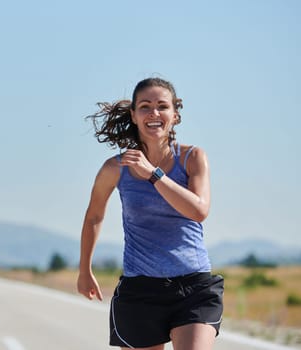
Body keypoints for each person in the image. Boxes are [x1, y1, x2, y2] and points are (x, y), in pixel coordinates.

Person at [77, 77, 224, 350]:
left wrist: (154, 175)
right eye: (145, 106)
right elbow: (94, 216)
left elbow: (199, 210)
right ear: (133, 115)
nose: (154, 113)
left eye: (162, 106)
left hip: (194, 287)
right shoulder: (115, 167)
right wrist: (84, 269)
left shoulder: (192, 157)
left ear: (175, 115)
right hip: (140, 290)